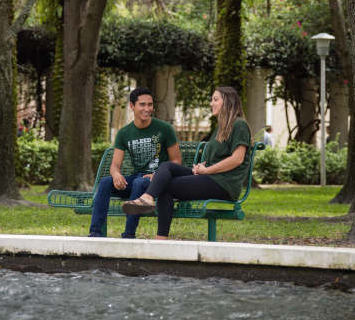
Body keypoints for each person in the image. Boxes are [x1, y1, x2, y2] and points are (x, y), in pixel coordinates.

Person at [122, 86, 251, 240]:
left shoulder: (239, 125)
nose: (211, 103)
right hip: (212, 176)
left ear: (229, 102)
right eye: (212, 100)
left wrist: (207, 171)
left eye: (215, 99)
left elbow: (237, 159)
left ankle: (160, 237)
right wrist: (202, 165)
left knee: (166, 187)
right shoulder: (222, 127)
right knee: (167, 166)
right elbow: (219, 156)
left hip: (224, 183)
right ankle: (148, 198)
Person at [89, 86, 181, 238]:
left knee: (139, 183)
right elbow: (115, 165)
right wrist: (116, 175)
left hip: (156, 181)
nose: (147, 108)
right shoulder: (124, 133)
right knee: (106, 182)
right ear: (132, 106)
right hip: (136, 177)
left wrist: (158, 175)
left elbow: (176, 161)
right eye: (142, 104)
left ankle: (129, 234)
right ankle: (95, 232)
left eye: (150, 104)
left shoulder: (164, 128)